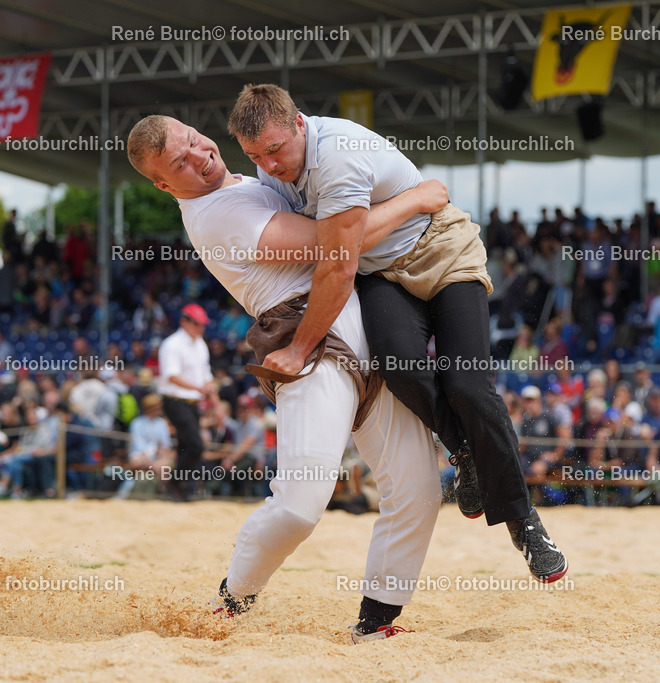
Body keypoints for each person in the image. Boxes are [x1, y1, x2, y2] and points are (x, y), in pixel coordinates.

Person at [228, 84, 567, 584]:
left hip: (441, 250)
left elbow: (338, 260)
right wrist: (412, 197)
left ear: (299, 123)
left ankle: (524, 522)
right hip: (383, 274)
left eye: (275, 150)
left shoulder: (338, 156)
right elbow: (335, 245)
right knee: (398, 364)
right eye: (255, 156)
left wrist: (300, 347)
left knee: (468, 384)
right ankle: (466, 451)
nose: (270, 166)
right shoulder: (268, 166)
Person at [128, 114, 446, 641]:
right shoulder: (215, 216)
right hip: (306, 339)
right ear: (164, 185)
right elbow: (335, 244)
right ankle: (232, 599)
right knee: (300, 506)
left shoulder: (254, 181)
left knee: (417, 489)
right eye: (179, 163)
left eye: (193, 141)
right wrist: (416, 198)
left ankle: (376, 623)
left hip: (365, 331)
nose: (199, 156)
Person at [158, 303, 219, 501]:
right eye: (198, 324)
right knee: (196, 445)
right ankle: (175, 483)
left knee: (186, 446)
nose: (201, 328)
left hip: (192, 401)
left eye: (202, 324)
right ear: (185, 322)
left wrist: (215, 403)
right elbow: (171, 376)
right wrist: (199, 389)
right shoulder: (172, 344)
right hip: (175, 400)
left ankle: (179, 489)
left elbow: (206, 376)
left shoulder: (200, 344)